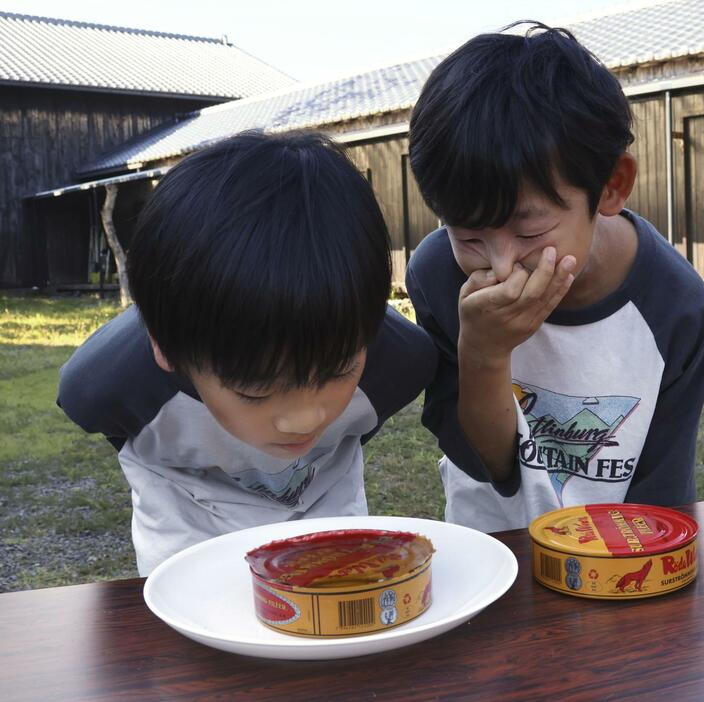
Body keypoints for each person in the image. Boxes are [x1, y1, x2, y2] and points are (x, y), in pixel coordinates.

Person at [58, 131, 437, 574]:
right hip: (187, 527)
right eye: (256, 391)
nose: (306, 420)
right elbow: (109, 423)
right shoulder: (108, 383)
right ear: (166, 351)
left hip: (326, 518)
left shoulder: (400, 361)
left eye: (337, 371)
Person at [405, 23, 704, 532]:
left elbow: (662, 504)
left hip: (616, 562)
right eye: (469, 235)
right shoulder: (438, 274)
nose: (500, 265)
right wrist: (482, 354)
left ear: (611, 187)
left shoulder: (675, 306)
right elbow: (485, 465)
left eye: (529, 227)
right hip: (493, 552)